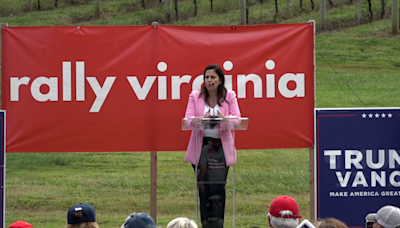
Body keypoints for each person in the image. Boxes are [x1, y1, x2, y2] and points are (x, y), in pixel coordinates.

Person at [184, 64, 241, 228]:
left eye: (213, 77)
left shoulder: (229, 95)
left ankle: (218, 225)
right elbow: (188, 121)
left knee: (218, 190)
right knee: (204, 191)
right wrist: (202, 119)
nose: (209, 80)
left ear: (220, 80)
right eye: (207, 77)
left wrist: (225, 118)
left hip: (220, 150)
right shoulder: (195, 96)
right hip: (201, 149)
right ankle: (205, 225)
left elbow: (237, 120)